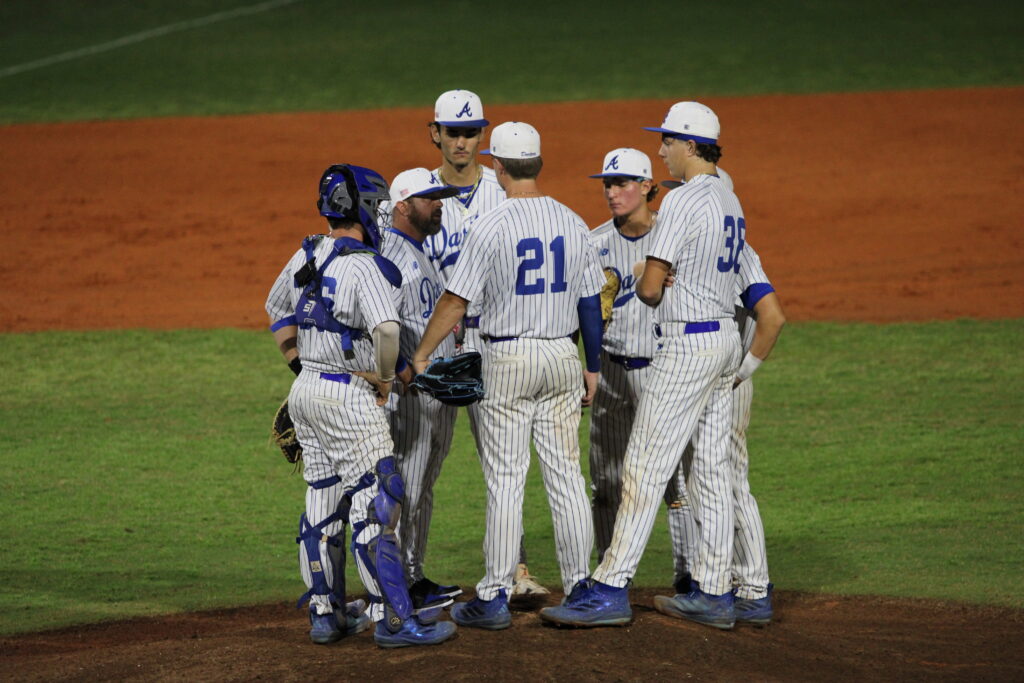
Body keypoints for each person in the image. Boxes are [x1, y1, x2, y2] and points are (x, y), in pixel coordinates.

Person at [540, 101, 744, 629]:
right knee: (712, 473)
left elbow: (650, 289)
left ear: (690, 146)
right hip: (724, 341)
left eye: (668, 142)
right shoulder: (729, 195)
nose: (662, 151)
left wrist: (642, 275)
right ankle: (716, 593)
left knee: (644, 468)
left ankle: (610, 588)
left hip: (686, 346)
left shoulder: (681, 201)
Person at [412, 122, 606, 630]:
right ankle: (582, 586)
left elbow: (457, 300)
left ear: (497, 165)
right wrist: (592, 367)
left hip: (508, 361)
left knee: (505, 480)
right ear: (538, 164)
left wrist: (422, 354)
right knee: (565, 476)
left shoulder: (492, 224)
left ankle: (495, 596)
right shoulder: (573, 221)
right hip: (563, 357)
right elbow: (590, 303)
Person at [264, 163, 456, 648]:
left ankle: (325, 615)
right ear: (367, 210)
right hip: (350, 396)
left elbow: (275, 308)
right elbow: (388, 331)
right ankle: (396, 620)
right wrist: (388, 381)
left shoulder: (308, 252)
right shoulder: (364, 265)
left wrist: (300, 366)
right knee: (378, 500)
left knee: (323, 505)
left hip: (307, 390)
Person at [426, 89, 547, 596]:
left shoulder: (506, 191)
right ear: (434, 133)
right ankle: (405, 576)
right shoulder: (415, 192)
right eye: (452, 131)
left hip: (493, 339)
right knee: (419, 459)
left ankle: (515, 571)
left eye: (471, 131)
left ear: (484, 134)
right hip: (432, 342)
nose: (462, 141)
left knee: (503, 460)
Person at [585, 147, 692, 572]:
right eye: (608, 184)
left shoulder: (674, 236)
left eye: (623, 183)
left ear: (648, 187)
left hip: (661, 372)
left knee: (675, 483)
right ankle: (607, 574)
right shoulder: (592, 243)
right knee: (607, 483)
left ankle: (690, 574)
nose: (613, 192)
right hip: (610, 372)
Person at [381, 167, 464, 611]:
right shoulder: (391, 255)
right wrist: (401, 375)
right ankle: (397, 585)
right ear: (402, 205)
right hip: (413, 396)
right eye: (431, 197)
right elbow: (381, 323)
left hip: (436, 394)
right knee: (408, 486)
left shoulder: (421, 251)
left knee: (423, 485)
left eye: (441, 197)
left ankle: (413, 575)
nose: (439, 204)